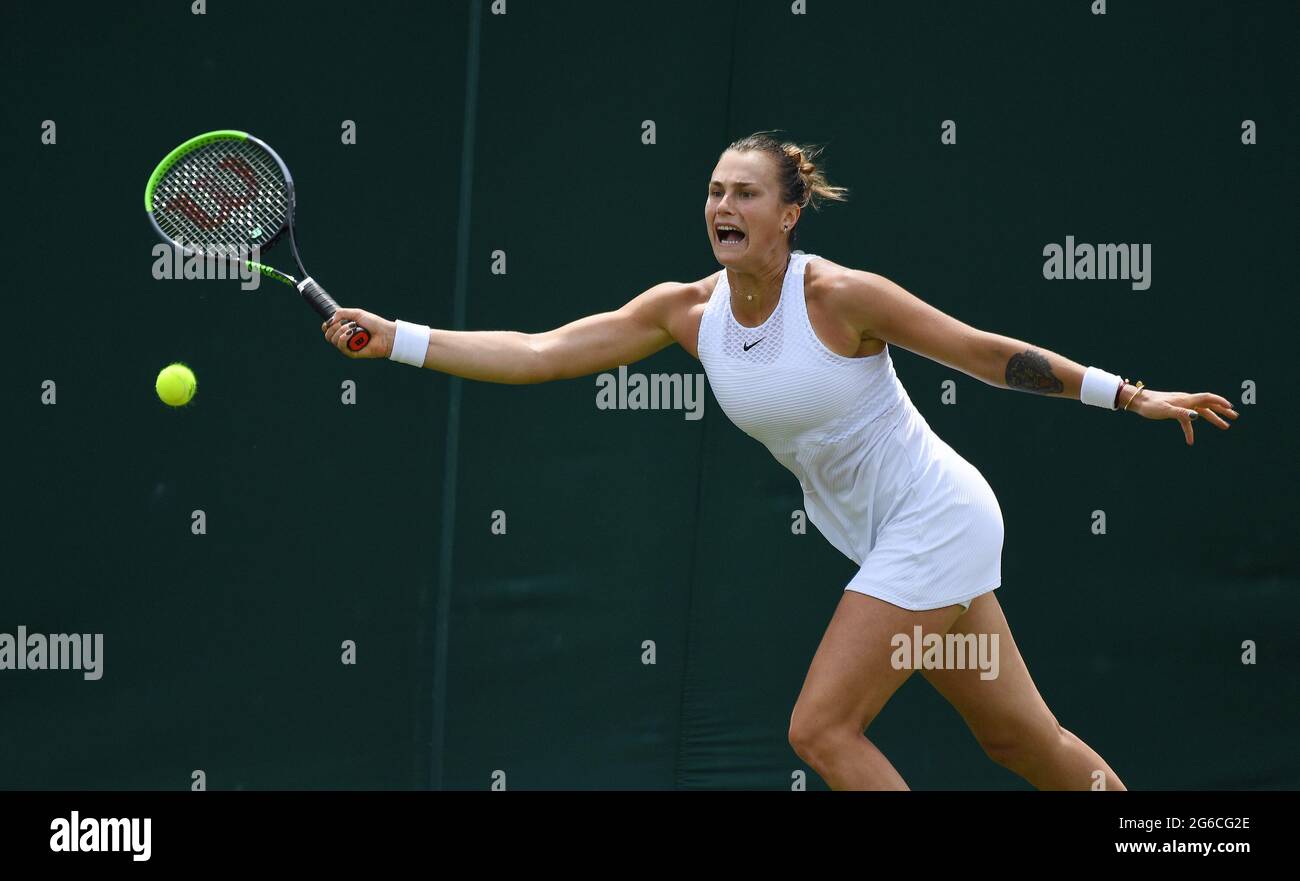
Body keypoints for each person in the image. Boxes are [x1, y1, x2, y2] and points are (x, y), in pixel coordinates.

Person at [321, 131, 1238, 790]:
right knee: (1021, 742)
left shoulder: (840, 296)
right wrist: (395, 338)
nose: (723, 205)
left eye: (746, 193)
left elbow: (987, 354)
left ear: (790, 213)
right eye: (716, 190)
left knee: (821, 728)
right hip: (897, 541)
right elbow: (539, 352)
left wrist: (1127, 392)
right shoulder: (687, 310)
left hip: (937, 517)